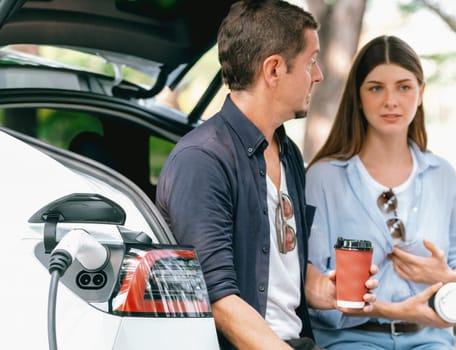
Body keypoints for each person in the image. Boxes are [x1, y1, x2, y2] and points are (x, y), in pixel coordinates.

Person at [155, 1, 378, 349]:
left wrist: (321, 287)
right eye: (310, 61)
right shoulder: (202, 160)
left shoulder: (288, 154)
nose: (317, 75)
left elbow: (277, 264)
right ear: (274, 69)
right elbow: (219, 301)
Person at [305, 35, 456, 349]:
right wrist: (386, 308)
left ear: (420, 94)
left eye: (404, 87)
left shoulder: (442, 175)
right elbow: (314, 284)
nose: (391, 101)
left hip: (430, 338)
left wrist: (446, 275)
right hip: (350, 339)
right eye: (376, 88)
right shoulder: (323, 179)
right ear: (358, 97)